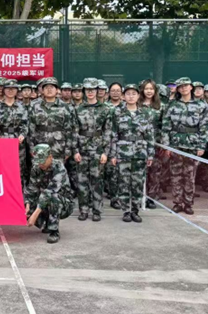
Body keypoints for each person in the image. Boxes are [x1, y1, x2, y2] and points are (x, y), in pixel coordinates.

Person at [161, 77, 208, 215]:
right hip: (176, 143)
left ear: (191, 87)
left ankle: (188, 203)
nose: (183, 88)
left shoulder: (201, 105)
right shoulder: (172, 105)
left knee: (190, 175)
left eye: (186, 86)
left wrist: (201, 145)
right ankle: (177, 203)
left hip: (192, 144)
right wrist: (166, 146)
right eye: (180, 86)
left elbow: (205, 127)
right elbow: (166, 126)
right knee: (176, 175)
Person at [107, 84, 155, 223]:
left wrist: (150, 154)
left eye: (134, 93)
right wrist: (113, 154)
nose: (131, 96)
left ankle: (135, 211)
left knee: (138, 184)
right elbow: (113, 134)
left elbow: (149, 135)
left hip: (140, 153)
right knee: (123, 183)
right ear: (123, 96)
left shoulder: (145, 113)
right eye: (128, 94)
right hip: (123, 153)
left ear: (138, 96)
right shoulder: (117, 112)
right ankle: (126, 211)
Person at [73, 78, 111, 221]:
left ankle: (97, 211)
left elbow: (108, 131)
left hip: (98, 149)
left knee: (97, 181)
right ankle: (83, 210)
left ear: (97, 91)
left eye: (93, 89)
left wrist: (105, 152)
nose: (90, 92)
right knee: (82, 181)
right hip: (82, 149)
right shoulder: (78, 109)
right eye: (87, 90)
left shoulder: (105, 109)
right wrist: (75, 150)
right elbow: (74, 131)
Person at [25, 144, 75, 244]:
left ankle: (54, 231)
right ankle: (46, 223)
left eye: (43, 161)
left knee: (53, 197)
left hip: (63, 203)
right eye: (38, 162)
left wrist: (35, 214)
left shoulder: (59, 168)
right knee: (26, 204)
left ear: (50, 157)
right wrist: (27, 205)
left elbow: (50, 192)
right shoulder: (36, 168)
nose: (41, 164)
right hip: (44, 199)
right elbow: (31, 189)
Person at [0, 79, 29, 195]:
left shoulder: (22, 107)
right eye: (8, 89)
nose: (10, 91)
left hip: (18, 142)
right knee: (3, 169)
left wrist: (23, 135)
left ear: (17, 91)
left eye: (13, 89)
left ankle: (19, 196)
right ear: (3, 90)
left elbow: (26, 124)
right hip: (2, 141)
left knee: (19, 170)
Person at [138, 80, 164, 209]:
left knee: (154, 171)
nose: (149, 91)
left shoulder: (161, 106)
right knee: (139, 171)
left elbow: (164, 125)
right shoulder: (137, 105)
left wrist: (163, 142)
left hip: (155, 143)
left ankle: (151, 198)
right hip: (139, 143)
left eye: (151, 89)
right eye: (146, 88)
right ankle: (138, 197)